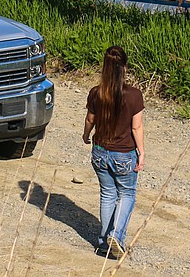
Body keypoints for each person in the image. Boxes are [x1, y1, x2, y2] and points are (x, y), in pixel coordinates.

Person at [83, 45, 145, 260]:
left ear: (105, 68)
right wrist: (142, 151)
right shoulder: (134, 95)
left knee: (108, 194)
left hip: (99, 152)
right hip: (123, 154)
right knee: (127, 194)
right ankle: (116, 236)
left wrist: (85, 136)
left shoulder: (96, 93)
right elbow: (136, 128)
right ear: (125, 67)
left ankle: (103, 243)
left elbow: (90, 119)